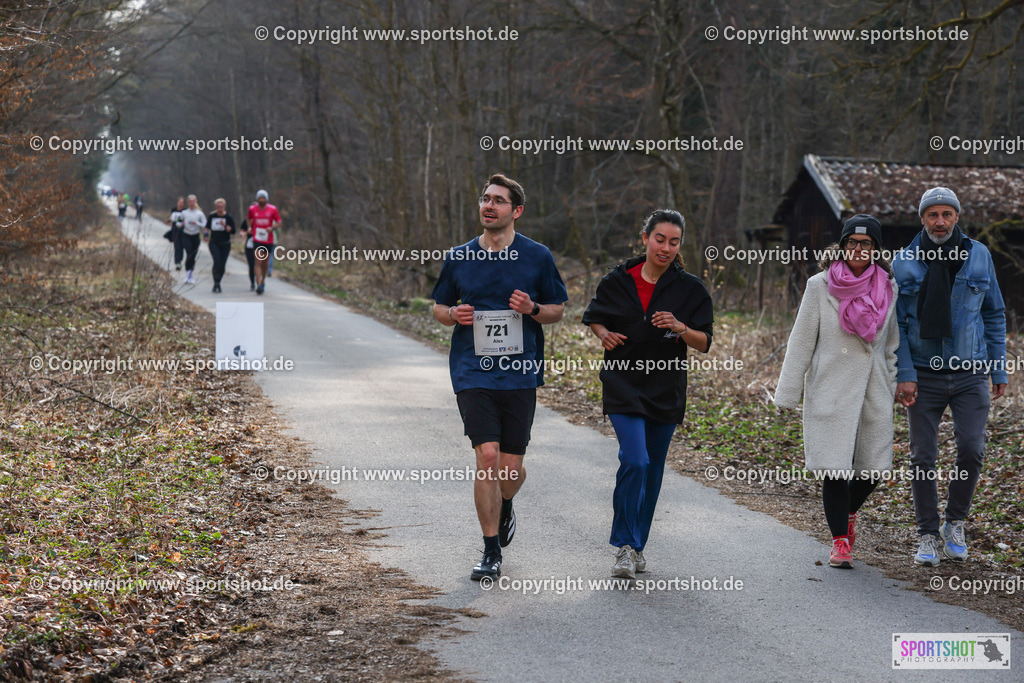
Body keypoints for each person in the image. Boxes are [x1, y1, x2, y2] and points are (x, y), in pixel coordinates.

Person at [431, 173, 568, 582]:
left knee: (510, 469)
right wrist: (454, 314)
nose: (489, 206)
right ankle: (491, 550)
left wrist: (531, 309)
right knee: (487, 456)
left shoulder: (537, 256)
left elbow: (558, 309)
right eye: (485, 199)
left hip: (520, 372)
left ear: (516, 211)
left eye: (499, 201)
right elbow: (438, 307)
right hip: (473, 369)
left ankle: (505, 505)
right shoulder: (459, 256)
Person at [582, 210, 713, 579]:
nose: (666, 247)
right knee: (635, 460)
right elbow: (594, 315)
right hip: (622, 383)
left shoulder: (691, 289)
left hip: (665, 388)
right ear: (645, 238)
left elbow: (704, 342)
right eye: (660, 239)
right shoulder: (619, 279)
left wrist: (680, 326)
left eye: (674, 242)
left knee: (653, 470)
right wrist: (602, 333)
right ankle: (623, 546)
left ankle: (637, 546)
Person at [774, 215, 899, 568]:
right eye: (852, 243)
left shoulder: (890, 288)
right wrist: (788, 392)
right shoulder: (819, 286)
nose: (859, 250)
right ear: (842, 247)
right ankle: (840, 541)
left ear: (875, 249)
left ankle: (847, 516)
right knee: (835, 469)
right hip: (829, 388)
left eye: (867, 244)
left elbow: (892, 345)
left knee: (873, 468)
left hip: (872, 390)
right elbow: (800, 342)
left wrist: (891, 383)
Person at [892, 188, 1008, 567]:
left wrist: (998, 366)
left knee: (972, 449)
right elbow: (898, 325)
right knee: (923, 456)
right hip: (922, 375)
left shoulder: (979, 255)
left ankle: (954, 523)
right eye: (932, 215)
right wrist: (904, 374)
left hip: (970, 372)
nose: (939, 221)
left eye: (946, 214)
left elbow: (993, 314)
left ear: (957, 217)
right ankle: (926, 532)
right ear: (922, 219)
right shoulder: (904, 262)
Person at [247, 189, 281, 295]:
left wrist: (272, 228)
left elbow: (279, 221)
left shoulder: (273, 209)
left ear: (266, 199)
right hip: (257, 238)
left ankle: (263, 280)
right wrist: (249, 227)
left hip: (268, 239)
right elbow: (249, 218)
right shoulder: (252, 209)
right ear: (257, 199)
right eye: (260, 198)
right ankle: (259, 284)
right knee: (258, 261)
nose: (261, 200)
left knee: (265, 263)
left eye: (263, 198)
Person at [205, 198, 236, 293]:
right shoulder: (212, 216)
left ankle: (218, 282)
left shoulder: (228, 217)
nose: (220, 209)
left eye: (221, 207)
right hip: (214, 243)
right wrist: (206, 236)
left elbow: (233, 231)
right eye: (218, 207)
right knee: (217, 261)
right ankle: (216, 283)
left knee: (222, 265)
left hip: (225, 244)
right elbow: (207, 228)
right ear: (216, 207)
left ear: (224, 207)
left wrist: (226, 226)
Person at [179, 194, 206, 285]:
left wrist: (197, 223)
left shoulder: (199, 213)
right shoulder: (184, 213)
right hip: (186, 235)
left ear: (195, 202)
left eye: (193, 202)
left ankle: (191, 275)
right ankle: (187, 275)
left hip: (195, 236)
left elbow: (205, 224)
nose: (191, 203)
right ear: (188, 202)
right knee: (189, 253)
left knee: (193, 255)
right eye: (190, 202)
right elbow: (178, 222)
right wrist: (181, 224)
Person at [166, 197, 186, 271]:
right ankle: (177, 262)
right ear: (178, 203)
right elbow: (173, 217)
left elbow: (183, 219)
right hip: (175, 230)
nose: (180, 204)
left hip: (183, 230)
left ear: (184, 204)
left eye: (182, 202)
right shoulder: (174, 209)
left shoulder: (185, 211)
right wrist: (169, 220)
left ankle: (180, 261)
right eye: (179, 202)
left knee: (181, 247)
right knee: (177, 246)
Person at [239, 218, 256, 290]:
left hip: (261, 245)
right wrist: (244, 233)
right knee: (251, 265)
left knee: (259, 264)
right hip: (249, 246)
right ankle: (252, 283)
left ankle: (260, 282)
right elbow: (242, 232)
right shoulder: (246, 221)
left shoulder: (262, 221)